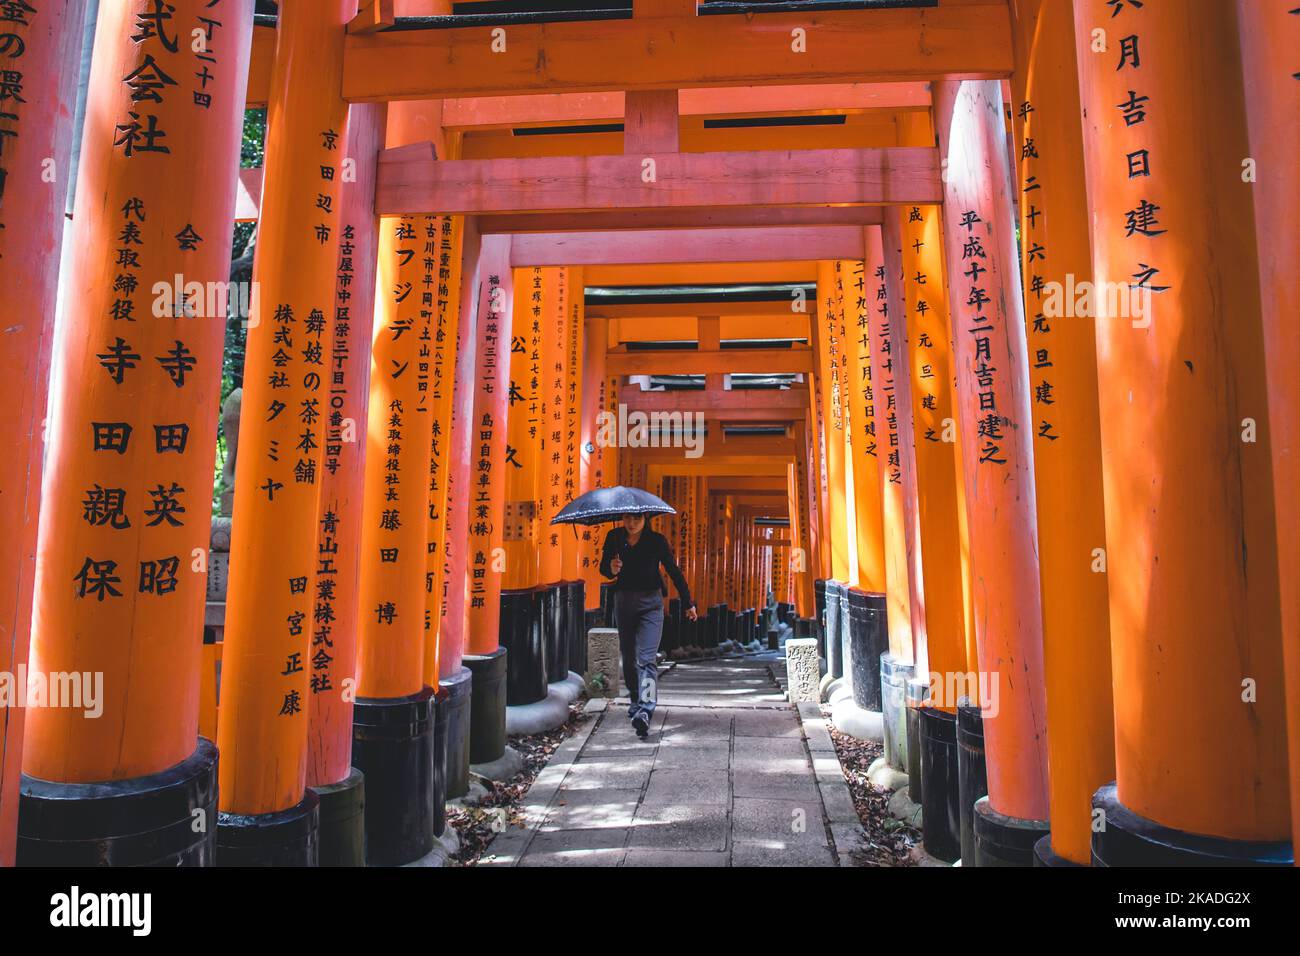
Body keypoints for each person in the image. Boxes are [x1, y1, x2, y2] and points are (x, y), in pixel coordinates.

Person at [599, 513, 697, 738]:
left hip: (651, 604)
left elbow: (673, 571)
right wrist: (612, 568)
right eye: (627, 518)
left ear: (645, 519)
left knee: (647, 658)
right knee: (629, 655)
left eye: (636, 519)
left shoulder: (657, 541)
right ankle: (635, 698)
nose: (631, 523)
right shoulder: (613, 537)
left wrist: (688, 602)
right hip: (623, 602)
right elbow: (603, 569)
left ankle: (646, 708)